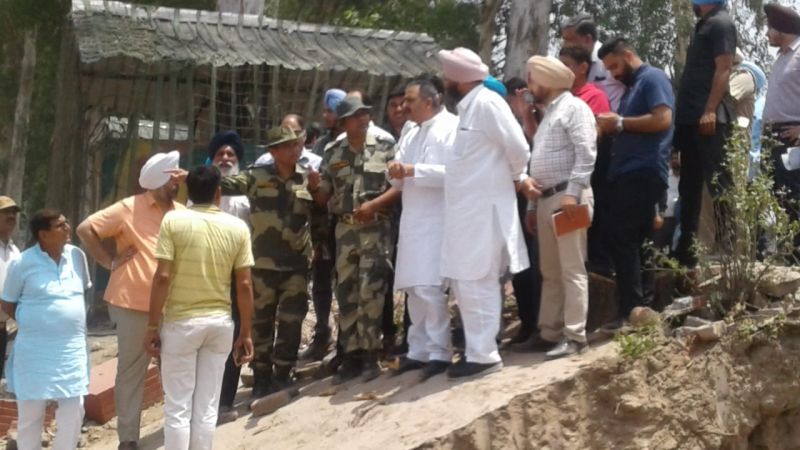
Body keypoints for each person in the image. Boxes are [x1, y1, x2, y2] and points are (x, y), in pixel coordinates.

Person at [76, 151, 184, 450]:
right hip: (133, 302)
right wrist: (109, 261)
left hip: (172, 303)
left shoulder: (179, 210)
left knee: (175, 367)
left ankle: (177, 430)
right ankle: (129, 439)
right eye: (174, 174)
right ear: (163, 180)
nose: (178, 178)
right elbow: (85, 228)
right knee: (132, 370)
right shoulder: (127, 208)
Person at [144, 165, 254, 450]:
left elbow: (163, 276)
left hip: (181, 323)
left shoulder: (173, 222)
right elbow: (244, 285)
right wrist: (247, 332)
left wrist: (152, 326)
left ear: (188, 192)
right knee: (207, 406)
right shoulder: (238, 227)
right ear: (219, 192)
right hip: (220, 323)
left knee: (178, 407)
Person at [437, 47, 530, 378]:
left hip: (483, 213)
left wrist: (515, 177)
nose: (445, 82)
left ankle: (484, 354)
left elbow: (518, 148)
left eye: (448, 77)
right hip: (468, 214)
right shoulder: (469, 108)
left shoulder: (488, 104)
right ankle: (480, 350)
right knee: (468, 280)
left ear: (458, 79)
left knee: (478, 279)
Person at [219, 126, 323, 398]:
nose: (294, 149)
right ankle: (262, 376)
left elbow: (322, 208)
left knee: (292, 321)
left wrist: (317, 188)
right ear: (273, 151)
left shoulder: (307, 177)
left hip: (296, 266)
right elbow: (226, 184)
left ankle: (283, 373)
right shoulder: (256, 175)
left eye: (296, 144)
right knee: (261, 322)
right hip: (262, 266)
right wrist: (194, 177)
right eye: (286, 146)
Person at [308, 96, 400, 384]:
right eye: (357, 115)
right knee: (346, 291)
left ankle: (371, 354)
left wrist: (374, 206)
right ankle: (352, 355)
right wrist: (314, 188)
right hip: (345, 231)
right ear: (343, 121)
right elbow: (324, 195)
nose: (363, 118)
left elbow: (398, 187)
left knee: (371, 291)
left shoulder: (385, 145)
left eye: (366, 113)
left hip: (375, 228)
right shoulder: (334, 152)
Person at [596, 38, 675, 327]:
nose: (613, 73)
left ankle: (630, 310)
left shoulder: (652, 78)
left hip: (641, 171)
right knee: (638, 241)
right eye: (608, 69)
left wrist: (620, 123)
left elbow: (663, 119)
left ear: (629, 54)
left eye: (615, 65)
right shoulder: (633, 88)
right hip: (630, 171)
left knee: (622, 236)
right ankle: (642, 309)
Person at [523, 55, 596, 359]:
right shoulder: (549, 113)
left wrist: (573, 193)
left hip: (567, 197)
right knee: (550, 270)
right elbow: (537, 163)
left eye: (532, 79)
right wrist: (530, 206)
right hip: (545, 199)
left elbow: (586, 152)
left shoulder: (575, 108)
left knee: (571, 269)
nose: (529, 85)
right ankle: (550, 331)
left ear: (547, 81)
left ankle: (575, 336)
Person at [388, 76, 458, 380]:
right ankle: (418, 350)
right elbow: (398, 176)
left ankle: (440, 351)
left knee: (430, 288)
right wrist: (396, 171)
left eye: (410, 100)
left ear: (429, 102)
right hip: (413, 218)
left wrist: (414, 170)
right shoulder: (410, 132)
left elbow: (454, 173)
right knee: (413, 287)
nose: (404, 106)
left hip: (436, 218)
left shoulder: (451, 127)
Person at [2, 210, 91, 450]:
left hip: (70, 350)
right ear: (43, 234)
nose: (68, 228)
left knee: (74, 410)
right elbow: (8, 301)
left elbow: (81, 293)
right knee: (31, 415)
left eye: (66, 222)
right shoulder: (23, 262)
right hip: (34, 351)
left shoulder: (77, 256)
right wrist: (33, 320)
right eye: (60, 225)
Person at [672, 0, 737, 268]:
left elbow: (724, 68)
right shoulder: (703, 26)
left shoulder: (722, 23)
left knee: (719, 183)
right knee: (689, 188)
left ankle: (728, 249)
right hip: (689, 120)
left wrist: (710, 110)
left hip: (709, 118)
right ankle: (686, 251)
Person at [202, 131, 251, 424]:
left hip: (239, 273)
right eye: (220, 154)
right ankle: (205, 400)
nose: (225, 158)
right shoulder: (202, 192)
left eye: (231, 155)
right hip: (208, 274)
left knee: (235, 334)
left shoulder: (249, 191)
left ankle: (225, 401)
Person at [559, 45, 615, 279]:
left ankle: (598, 264)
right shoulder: (560, 100)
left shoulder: (595, 95)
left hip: (591, 176)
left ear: (583, 68)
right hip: (564, 177)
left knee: (593, 223)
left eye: (567, 66)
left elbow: (596, 135)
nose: (562, 71)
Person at [501, 78, 542, 348]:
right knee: (519, 268)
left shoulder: (538, 115)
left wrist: (529, 115)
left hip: (532, 196)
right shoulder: (505, 124)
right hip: (509, 200)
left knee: (535, 265)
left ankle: (538, 324)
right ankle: (527, 323)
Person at [762, 2, 800, 261]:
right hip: (772, 137)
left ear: (781, 29)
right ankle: (789, 257)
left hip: (791, 137)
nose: (766, 34)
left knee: (795, 199)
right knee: (780, 200)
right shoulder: (782, 57)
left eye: (769, 28)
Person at [561, 14, 626, 111]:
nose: (565, 45)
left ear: (587, 39)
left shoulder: (608, 60)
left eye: (569, 40)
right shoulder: (570, 62)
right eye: (564, 40)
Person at [255, 114, 323, 170]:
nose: (291, 137)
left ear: (304, 135)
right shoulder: (264, 161)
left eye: (295, 133)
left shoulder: (317, 163)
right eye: (285, 133)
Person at [0, 196, 20, 380]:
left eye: (13, 212)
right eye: (6, 212)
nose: (11, 216)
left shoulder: (15, 251)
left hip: (3, 327)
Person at [312, 88, 347, 157]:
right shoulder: (320, 144)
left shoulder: (355, 142)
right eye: (324, 111)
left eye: (330, 111)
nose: (325, 115)